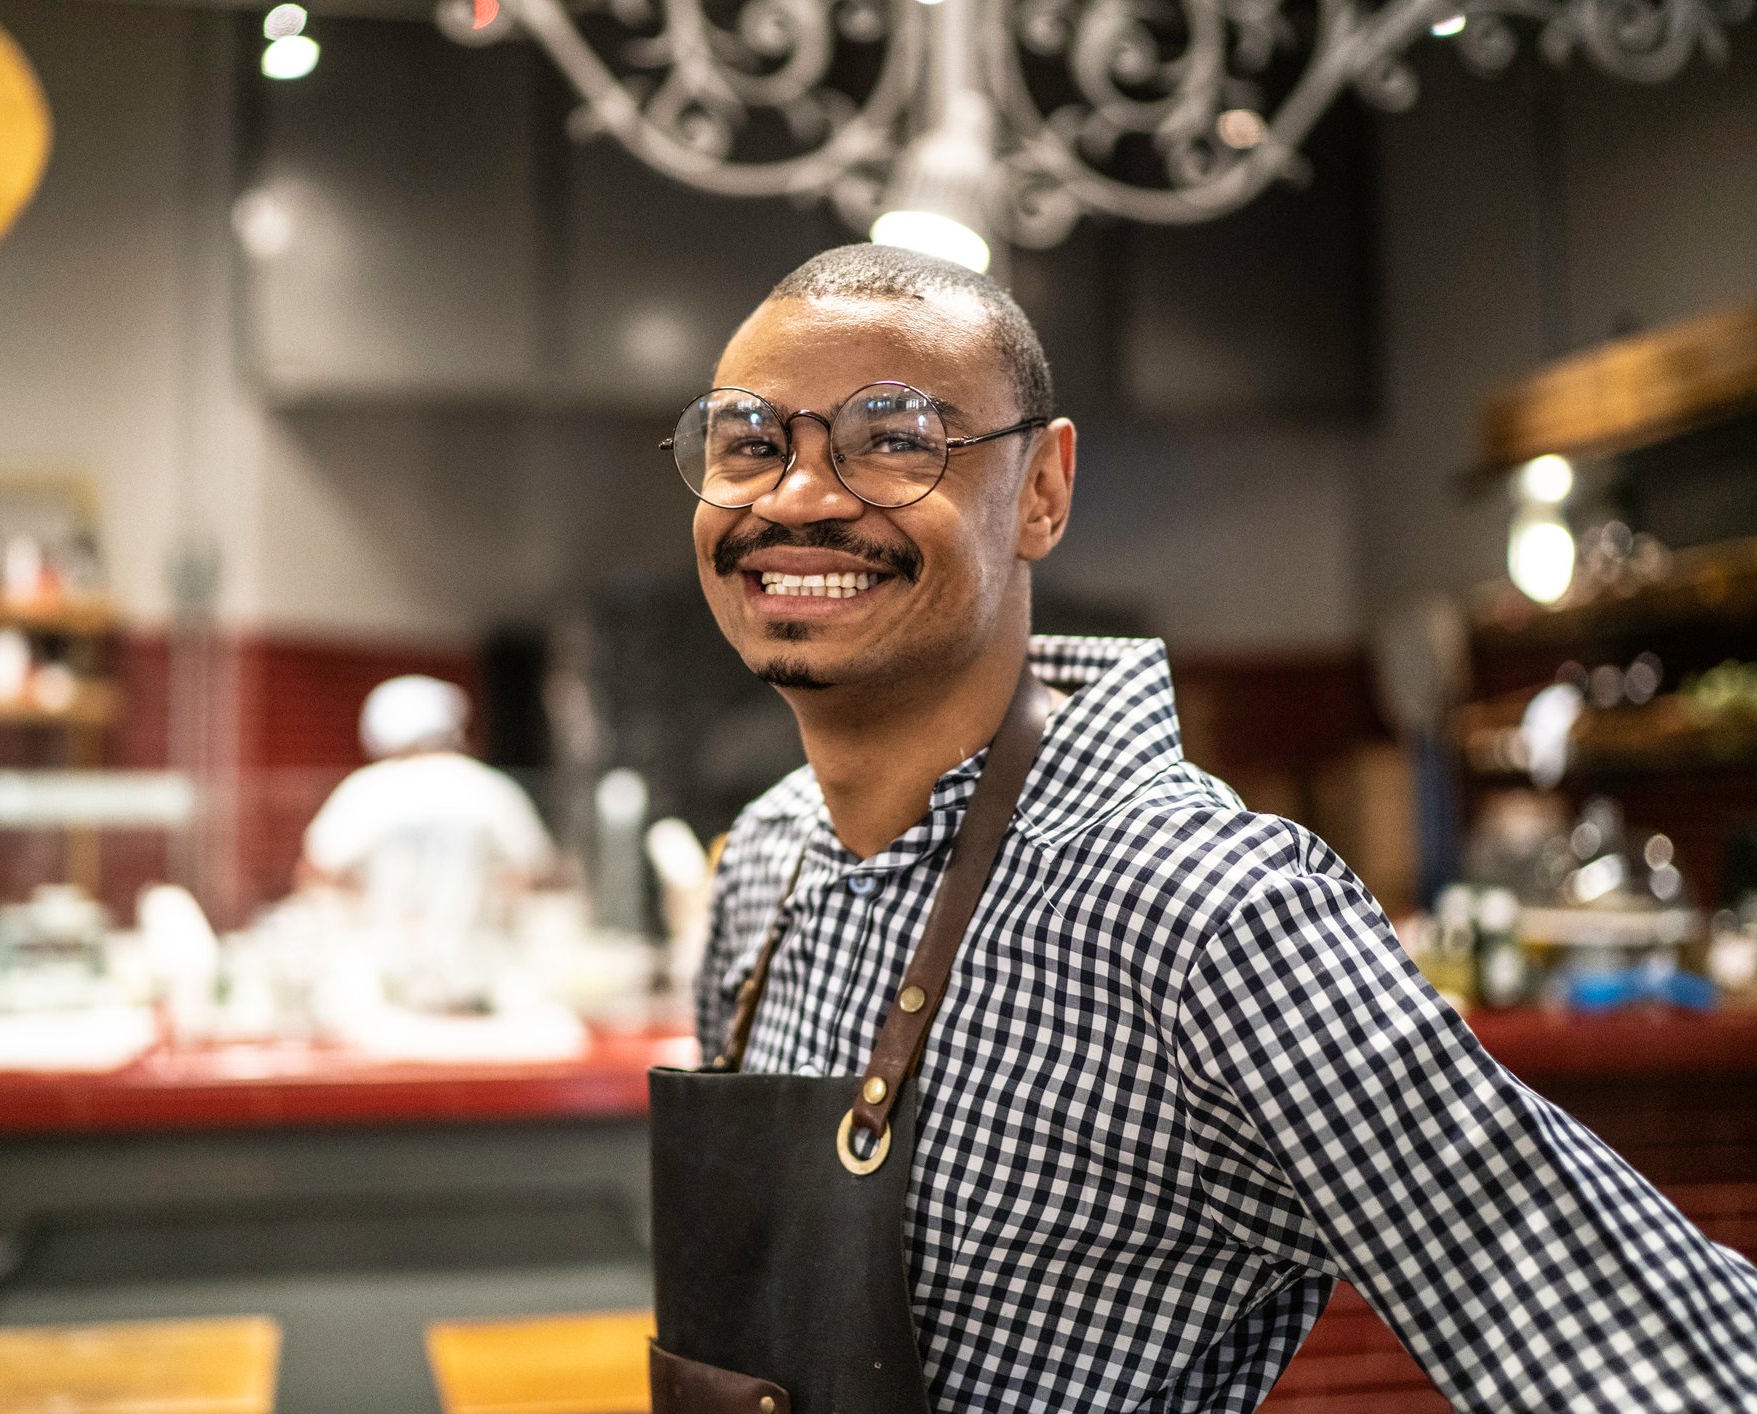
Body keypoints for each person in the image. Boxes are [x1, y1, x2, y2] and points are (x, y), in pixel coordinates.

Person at [650, 244, 1757, 1413]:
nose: (798, 497)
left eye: (892, 437)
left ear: (1041, 491)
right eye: (749, 442)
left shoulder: (1210, 912)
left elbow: (1656, 1358)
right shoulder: (767, 858)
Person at [301, 674, 552, 1011]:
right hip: (474, 977)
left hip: (381, 981)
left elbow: (316, 871)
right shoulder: (489, 788)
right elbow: (537, 871)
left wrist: (367, 893)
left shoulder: (367, 789)